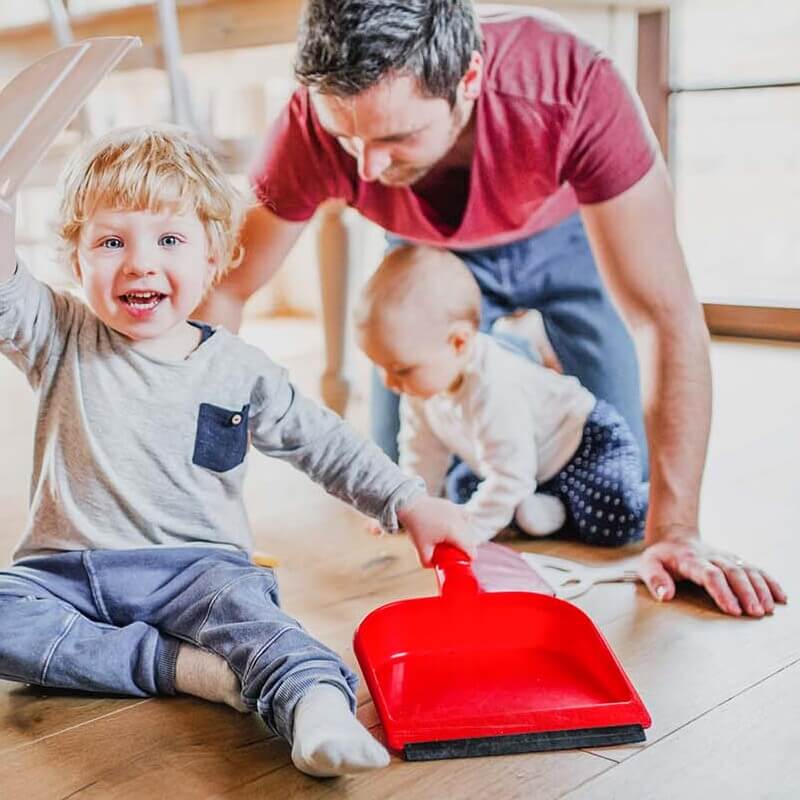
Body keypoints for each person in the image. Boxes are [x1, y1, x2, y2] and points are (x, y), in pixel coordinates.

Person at [197, 0, 786, 617]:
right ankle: (504, 366)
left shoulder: (573, 84)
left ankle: (520, 366)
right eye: (348, 139)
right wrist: (196, 490)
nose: (365, 167)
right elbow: (227, 290)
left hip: (566, 243)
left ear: (469, 80)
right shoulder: (311, 126)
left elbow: (664, 316)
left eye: (397, 137)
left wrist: (677, 532)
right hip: (430, 266)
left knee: (621, 469)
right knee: (401, 483)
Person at [0, 125, 477, 778]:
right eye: (111, 242)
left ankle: (315, 706)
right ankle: (185, 668)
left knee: (262, 626)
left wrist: (407, 500)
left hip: (200, 572)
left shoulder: (239, 369)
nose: (139, 263)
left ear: (214, 257)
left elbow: (324, 443)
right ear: (75, 261)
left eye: (169, 240)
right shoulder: (59, 331)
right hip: (61, 574)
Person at [357, 244, 648, 547]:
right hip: (525, 464)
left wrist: (468, 532)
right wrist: (411, 507)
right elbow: (422, 453)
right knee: (460, 491)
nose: (388, 381)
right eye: (380, 367)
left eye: (400, 368)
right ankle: (549, 506)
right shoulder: (419, 386)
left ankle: (627, 499)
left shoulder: (492, 385)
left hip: (584, 446)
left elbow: (510, 475)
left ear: (458, 343)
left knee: (612, 516)